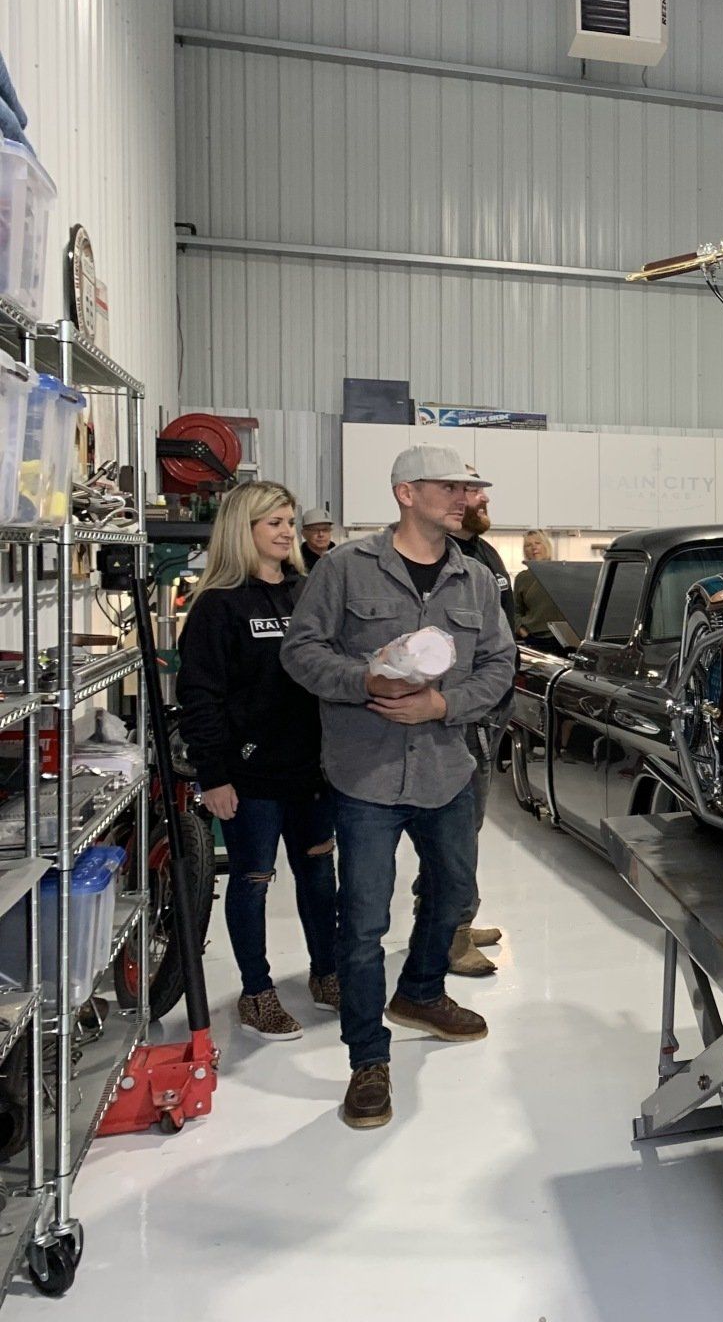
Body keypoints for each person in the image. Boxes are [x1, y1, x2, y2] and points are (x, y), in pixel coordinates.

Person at [282, 444, 516, 1130]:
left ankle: (419, 990)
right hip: (367, 774)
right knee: (362, 923)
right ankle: (368, 1060)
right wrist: (365, 682)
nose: (464, 499)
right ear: (406, 493)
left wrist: (445, 706)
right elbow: (301, 650)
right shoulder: (344, 568)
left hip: (447, 768)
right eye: (450, 487)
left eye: (467, 490)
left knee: (453, 896)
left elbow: (500, 664)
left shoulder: (475, 582)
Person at [176, 482, 338, 1041]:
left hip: (312, 770)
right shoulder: (218, 605)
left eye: (290, 521)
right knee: (252, 881)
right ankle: (257, 992)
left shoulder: (308, 593)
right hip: (250, 777)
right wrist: (213, 774)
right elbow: (199, 695)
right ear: (242, 530)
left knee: (319, 875)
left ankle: (327, 973)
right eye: (273, 522)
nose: (288, 531)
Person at [438, 465, 514, 977]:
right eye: (472, 489)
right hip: (462, 714)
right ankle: (451, 934)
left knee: (470, 824)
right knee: (457, 829)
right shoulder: (448, 558)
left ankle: (451, 920)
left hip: (489, 711)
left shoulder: (484, 554)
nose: (483, 496)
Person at [513, 529, 567, 641]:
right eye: (528, 545)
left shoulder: (563, 571)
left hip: (564, 637)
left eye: (538, 543)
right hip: (534, 637)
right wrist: (522, 631)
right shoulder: (522, 578)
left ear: (546, 546)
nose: (534, 547)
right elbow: (515, 610)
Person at [299, 505, 336, 573]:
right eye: (315, 530)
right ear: (304, 533)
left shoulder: (340, 557)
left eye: (325, 529)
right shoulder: (296, 561)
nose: (321, 534)